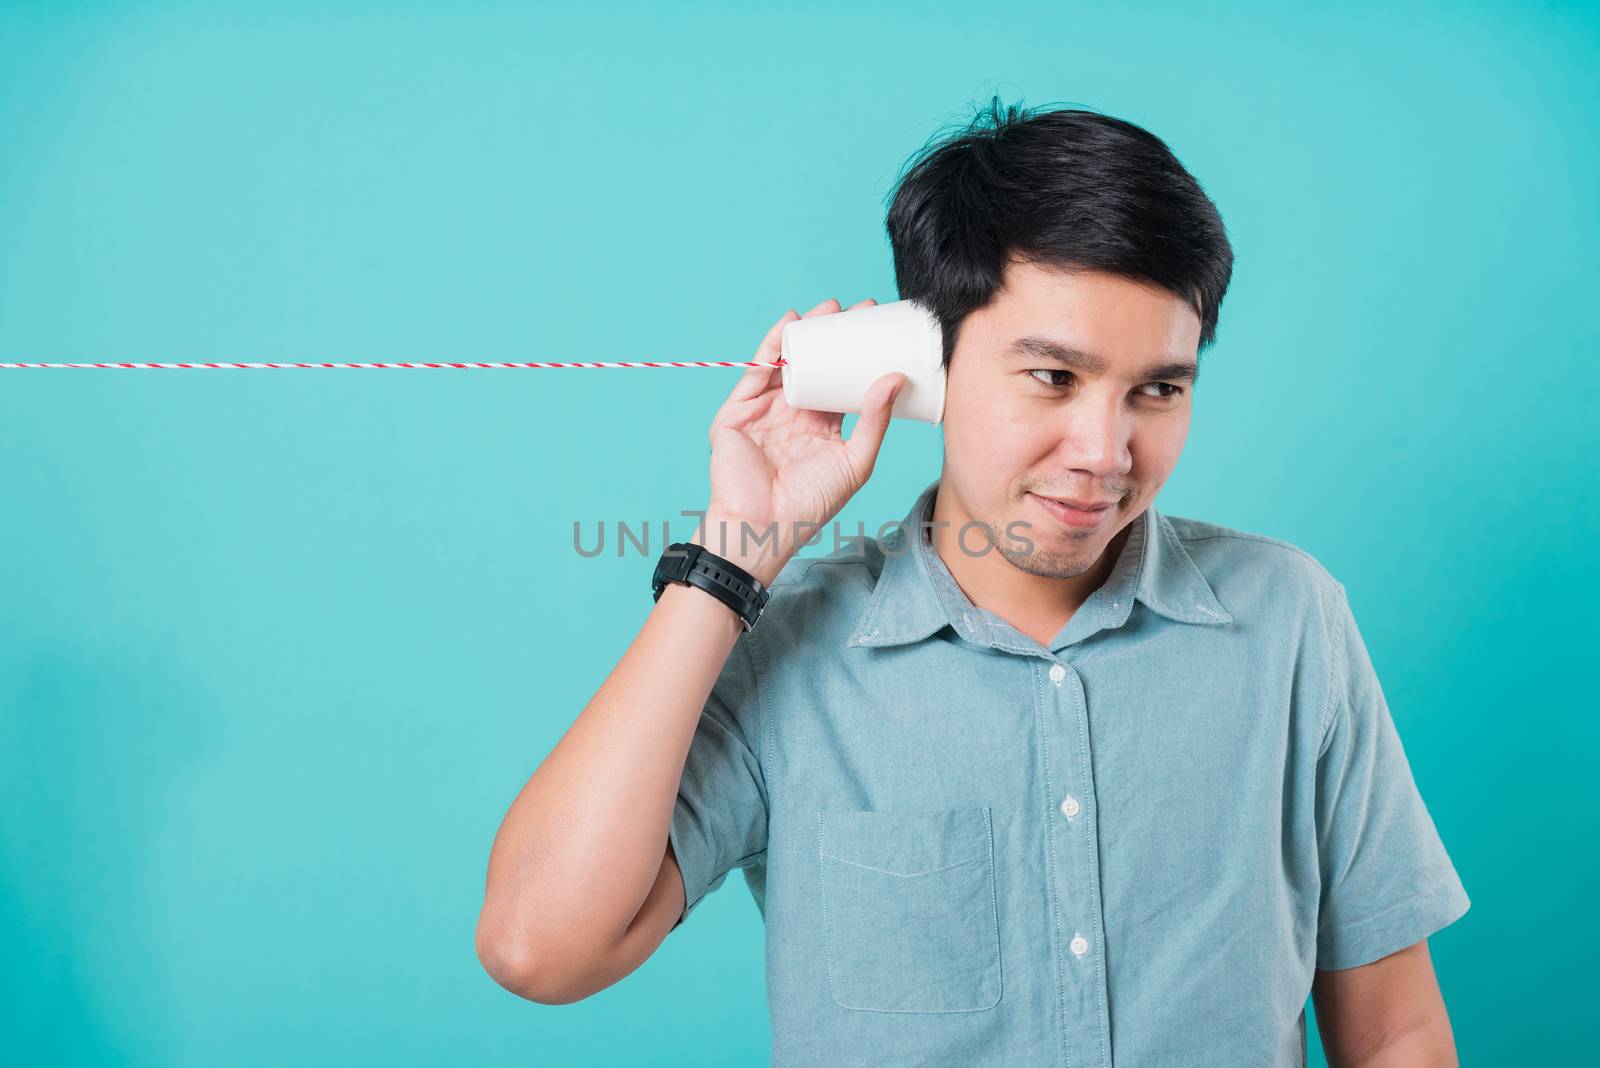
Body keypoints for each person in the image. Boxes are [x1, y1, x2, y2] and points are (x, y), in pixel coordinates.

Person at [475, 98, 1470, 1067]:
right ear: (925, 367)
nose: (1103, 451)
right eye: (1052, 378)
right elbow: (538, 946)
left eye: (1157, 389)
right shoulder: (794, 651)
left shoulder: (1288, 620)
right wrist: (731, 556)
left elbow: (1392, 1032)